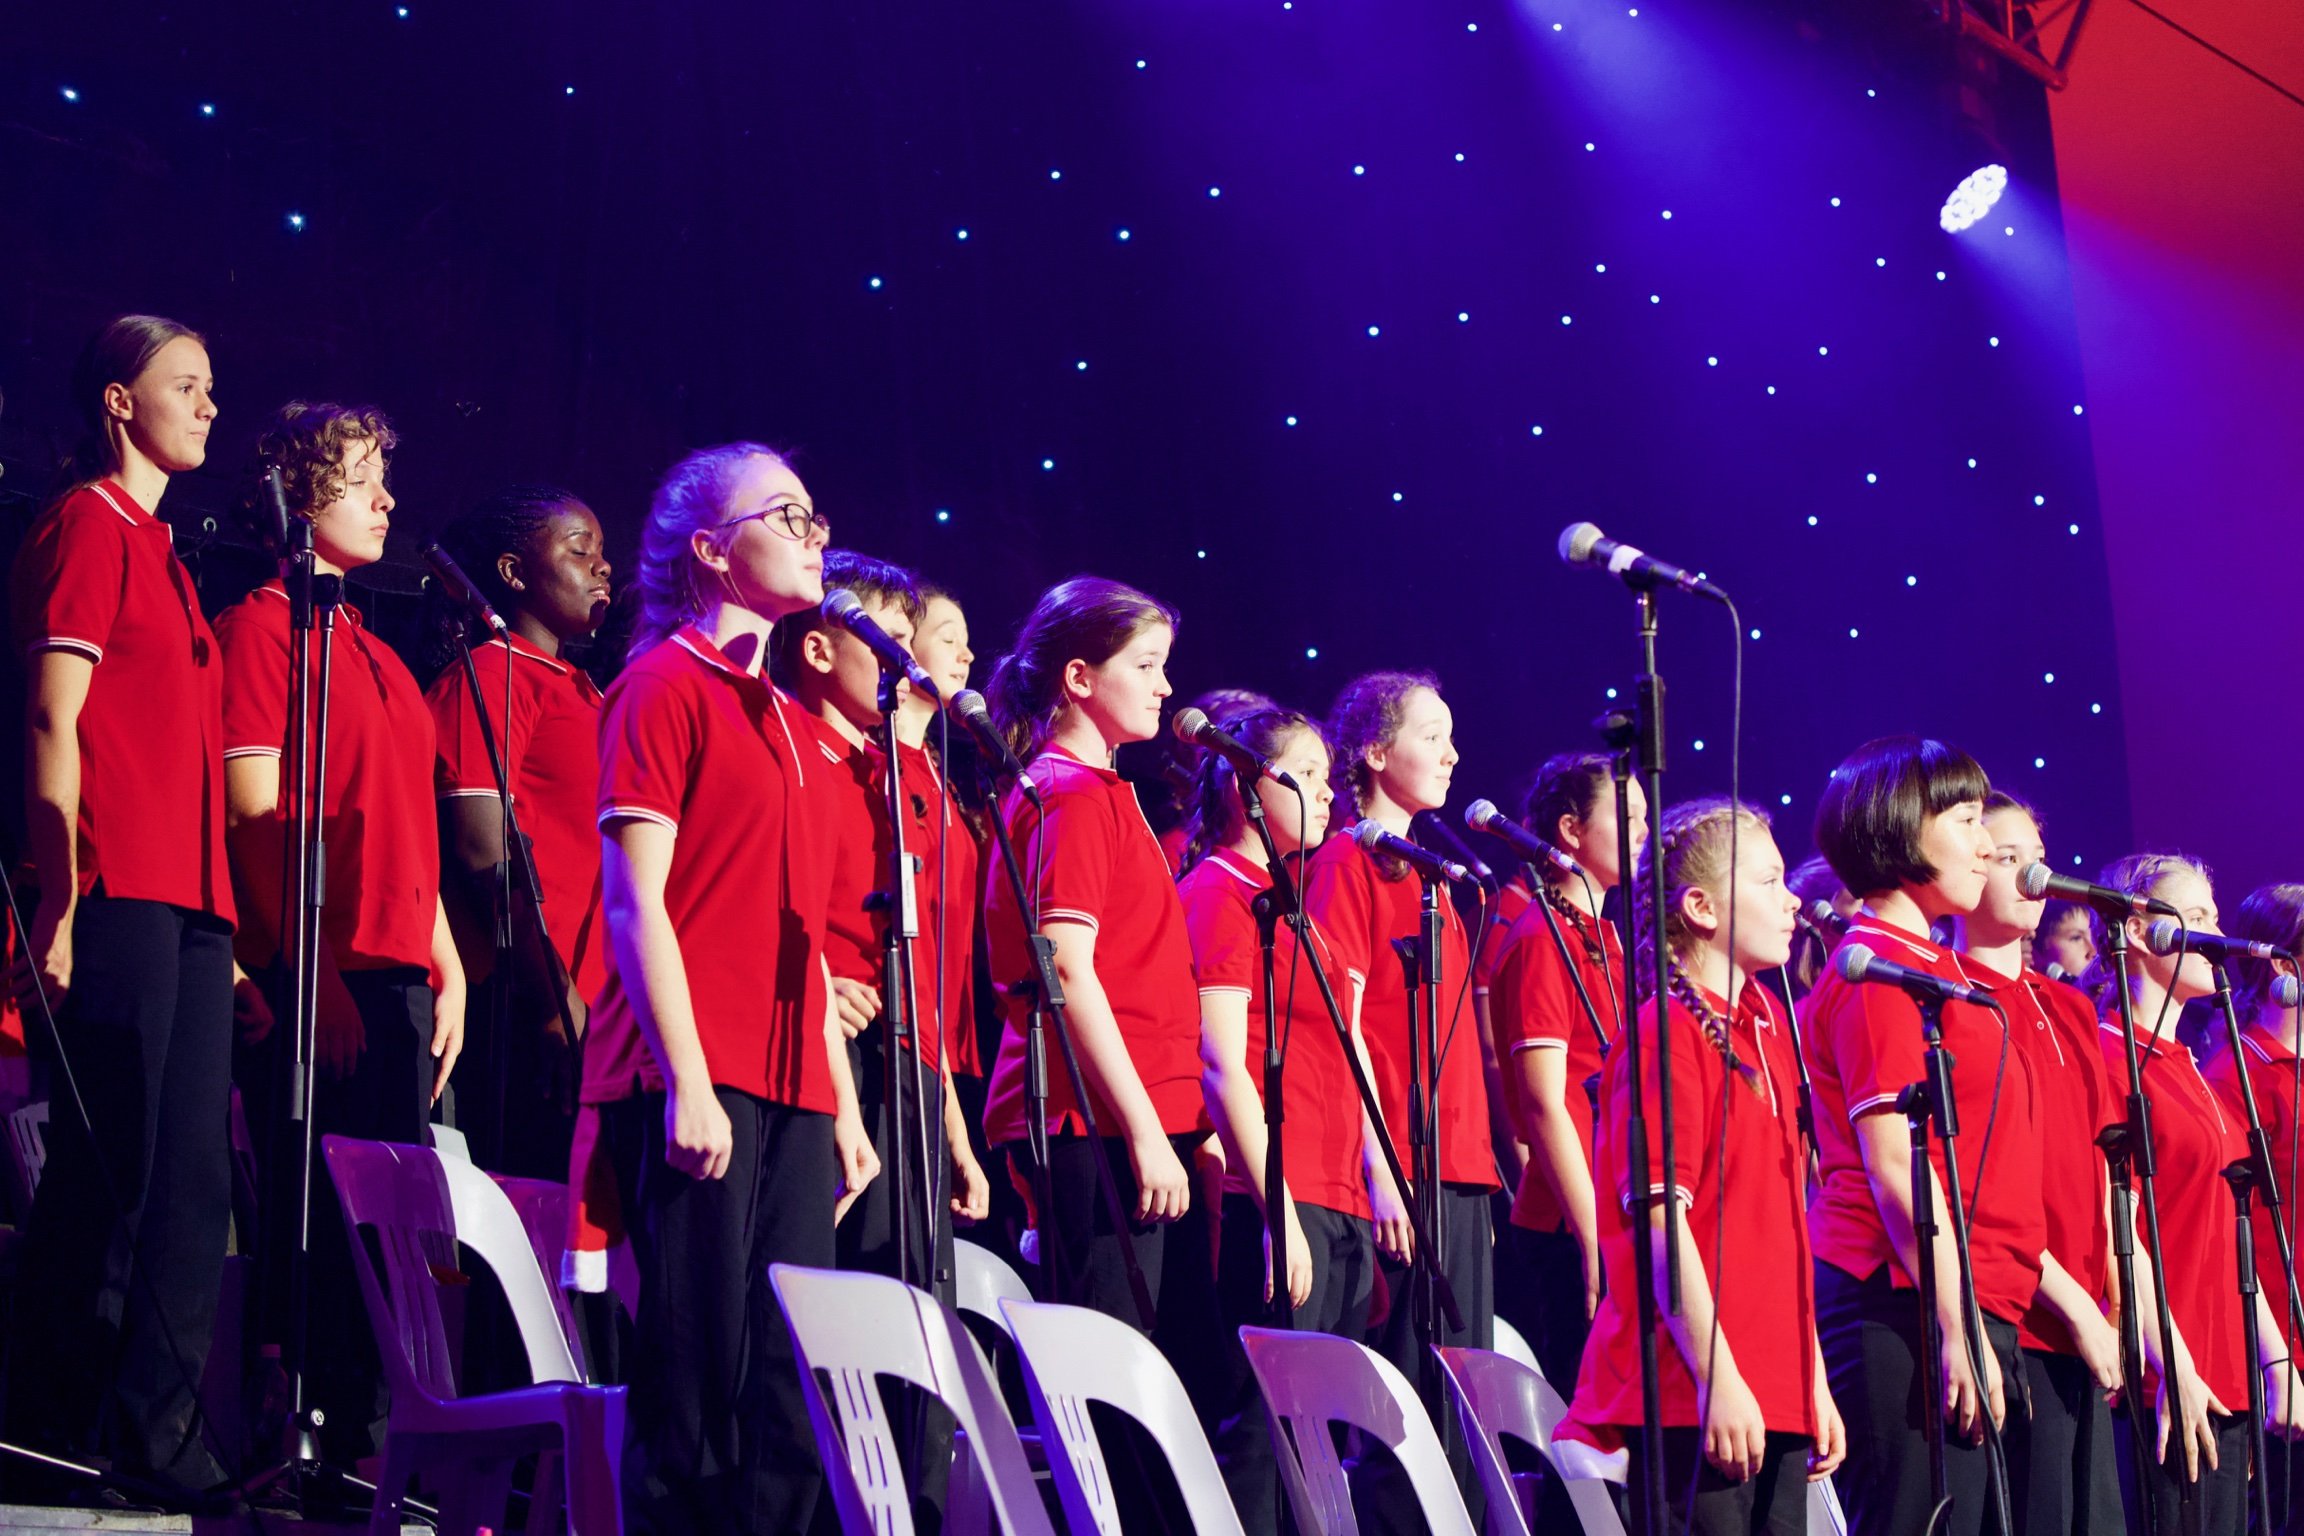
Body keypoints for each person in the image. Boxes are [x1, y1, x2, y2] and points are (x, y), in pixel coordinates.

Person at [579, 442, 878, 1533]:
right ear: (712, 550)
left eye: (814, 515)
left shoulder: (788, 722)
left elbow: (804, 935)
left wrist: (842, 1106)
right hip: (697, 1075)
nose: (813, 535)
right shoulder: (663, 685)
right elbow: (635, 904)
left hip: (791, 1080)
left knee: (792, 1382)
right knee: (696, 1380)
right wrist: (687, 1081)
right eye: (784, 515)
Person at [3, 315, 238, 1508]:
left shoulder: (169, 555)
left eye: (210, 388)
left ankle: (154, 1430)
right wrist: (59, 892)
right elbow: (55, 720)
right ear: (117, 401)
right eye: (183, 385)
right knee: (116, 1166)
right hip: (116, 888)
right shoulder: (88, 525)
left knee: (192, 1179)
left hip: (191, 901)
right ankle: (52, 1420)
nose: (206, 406)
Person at [217, 401, 467, 1473]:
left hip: (396, 968)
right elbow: (255, 814)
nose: (386, 501)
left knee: (388, 1226)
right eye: (362, 480)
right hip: (325, 966)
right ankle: (307, 1438)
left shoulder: (371, 646)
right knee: (321, 1218)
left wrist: (446, 956)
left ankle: (371, 1444)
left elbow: (401, 812)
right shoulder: (261, 629)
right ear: (301, 493)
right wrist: (308, 967)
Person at [1559, 798, 1846, 1534]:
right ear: (1701, 907)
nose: (1793, 900)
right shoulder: (1667, 1031)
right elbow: (1662, 1223)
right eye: (1768, 881)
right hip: (1697, 1388)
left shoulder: (1767, 1034)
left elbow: (1785, 1231)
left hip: (1775, 1386)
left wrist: (1811, 1378)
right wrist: (1716, 1374)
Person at [1800, 735, 2043, 1536]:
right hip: (1898, 1301)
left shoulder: (1926, 965)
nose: (1986, 845)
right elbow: (1896, 1167)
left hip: (1958, 1293)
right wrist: (1956, 1323)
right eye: (1967, 820)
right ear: (1903, 827)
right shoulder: (1874, 970)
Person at [977, 576, 1203, 1326]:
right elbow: (1067, 969)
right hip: (1088, 1119)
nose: (1164, 686)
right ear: (1079, 677)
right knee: (1105, 1353)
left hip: (1110, 1115)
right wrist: (1143, 1130)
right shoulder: (1068, 797)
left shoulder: (1096, 791)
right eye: (1145, 665)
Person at [1177, 705, 1375, 1536]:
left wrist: (1373, 1186)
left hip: (1339, 1199)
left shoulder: (1294, 911)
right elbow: (1222, 1064)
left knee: (1317, 1444)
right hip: (1281, 1196)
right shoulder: (1217, 894)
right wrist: (1279, 1211)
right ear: (1245, 787)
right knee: (1261, 1438)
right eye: (1309, 775)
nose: (1329, 795)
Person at [1305, 670, 1495, 1529]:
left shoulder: (1431, 879)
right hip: (1402, 1169)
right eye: (1430, 736)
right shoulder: (1347, 863)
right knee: (1408, 1417)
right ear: (1377, 753)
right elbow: (1340, 1028)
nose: (1452, 754)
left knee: (1461, 1409)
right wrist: (1382, 1171)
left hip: (1457, 1169)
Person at [769, 550, 989, 1278]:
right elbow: (780, 905)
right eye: (891, 640)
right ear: (819, 649)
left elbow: (921, 968)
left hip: (905, 1052)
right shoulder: (796, 750)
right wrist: (821, 986)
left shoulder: (881, 773)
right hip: (840, 1048)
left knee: (916, 1283)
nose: (905, 660)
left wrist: (953, 1129)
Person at [2087, 854, 2304, 1536]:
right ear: (2141, 929)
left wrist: (2274, 1360)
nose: (2217, 933)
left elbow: (2233, 1232)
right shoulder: (2110, 1058)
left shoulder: (2190, 1068)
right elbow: (2119, 1232)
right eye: (2199, 916)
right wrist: (2172, 1364)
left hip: (2227, 1372)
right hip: (2166, 1378)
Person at [1949, 792, 2125, 1535]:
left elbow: (2101, 1166)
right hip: (2024, 1317)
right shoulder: (1953, 998)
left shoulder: (2071, 1007)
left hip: (2089, 1322)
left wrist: (2115, 1298)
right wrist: (2075, 1306)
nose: (2032, 875)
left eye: (2038, 858)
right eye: (2007, 857)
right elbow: (1977, 1187)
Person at [426, 486, 613, 1179]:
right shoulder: (493, 673)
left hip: (602, 1011)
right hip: (535, 1007)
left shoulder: (587, 690)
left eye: (603, 552)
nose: (602, 567)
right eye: (580, 550)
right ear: (512, 572)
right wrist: (553, 1003)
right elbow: (481, 850)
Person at [1487, 751, 1643, 1391]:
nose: (1643, 831)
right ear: (1571, 830)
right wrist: (1593, 1233)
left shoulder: (1604, 938)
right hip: (1570, 1219)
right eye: (1626, 816)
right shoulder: (1541, 937)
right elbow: (1544, 1103)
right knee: (1586, 1414)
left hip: (1613, 1205)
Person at [2206, 882, 2304, 1536]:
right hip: (2288, 1352)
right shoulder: (2238, 1073)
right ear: (2278, 963)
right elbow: (2231, 1230)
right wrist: (2278, 1361)